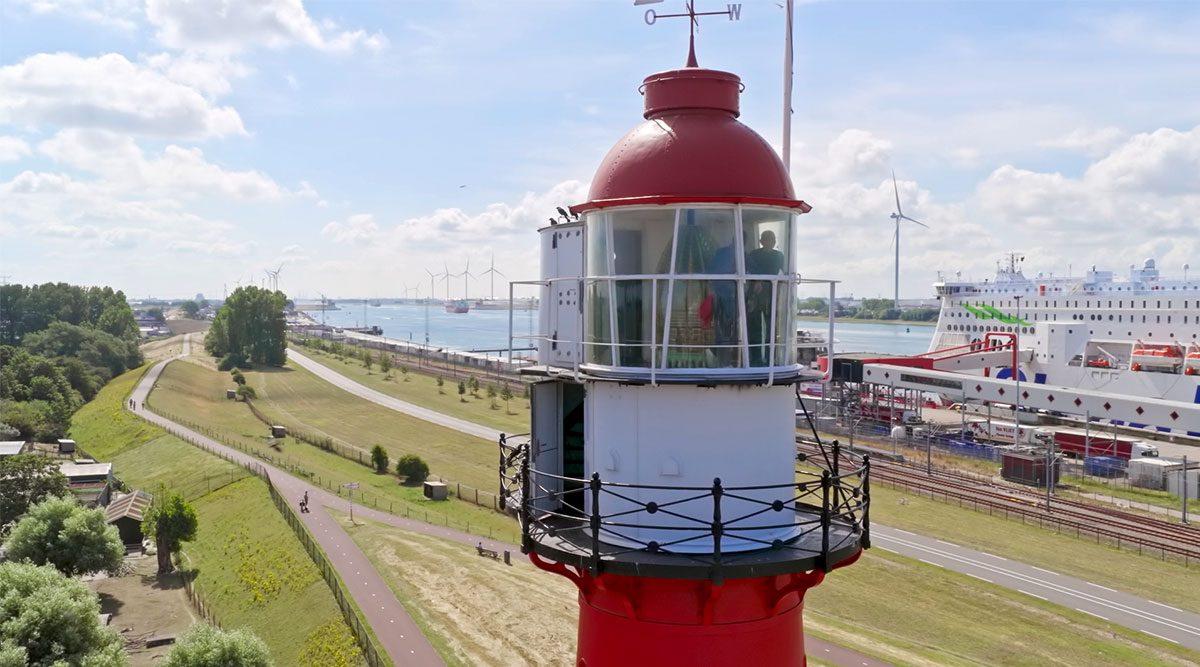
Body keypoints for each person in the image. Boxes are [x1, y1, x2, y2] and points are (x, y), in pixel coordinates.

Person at [745, 230, 785, 365]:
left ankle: (766, 358)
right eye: (768, 239)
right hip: (761, 294)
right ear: (762, 241)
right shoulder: (776, 256)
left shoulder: (757, 254)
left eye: (771, 239)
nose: (770, 242)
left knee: (768, 328)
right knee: (757, 328)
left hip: (767, 293)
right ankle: (760, 359)